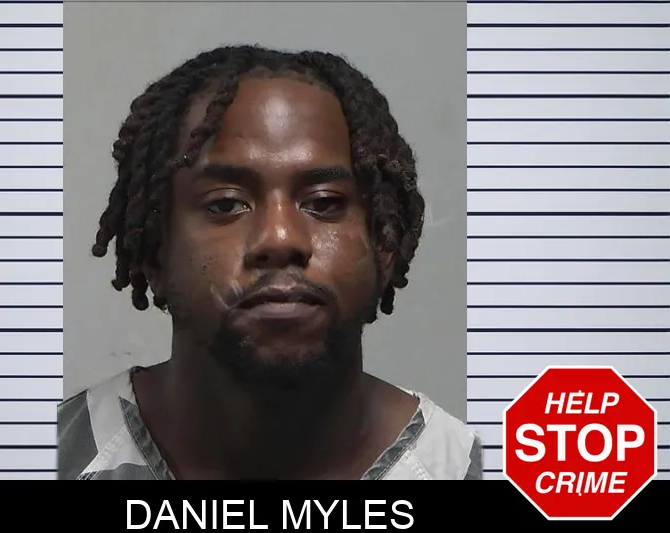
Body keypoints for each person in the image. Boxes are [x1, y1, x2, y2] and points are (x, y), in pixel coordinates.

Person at [58, 44, 482, 480]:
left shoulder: (464, 469)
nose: (281, 238)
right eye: (226, 204)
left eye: (324, 203)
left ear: (385, 246)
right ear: (154, 253)